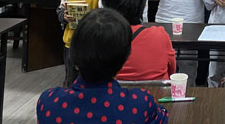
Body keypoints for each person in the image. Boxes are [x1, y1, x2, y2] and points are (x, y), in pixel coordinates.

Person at [37, 8, 169, 124]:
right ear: (124, 58)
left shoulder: (49, 102)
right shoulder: (140, 103)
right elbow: (162, 117)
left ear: (74, 53)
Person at [101, 0, 176, 81]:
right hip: (155, 91)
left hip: (111, 92)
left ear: (104, 4)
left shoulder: (96, 36)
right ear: (144, 4)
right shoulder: (159, 36)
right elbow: (171, 71)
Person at [56, 0, 100, 87]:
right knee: (71, 75)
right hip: (70, 41)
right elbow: (60, 11)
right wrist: (64, 16)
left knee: (89, 75)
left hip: (91, 43)